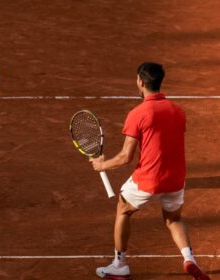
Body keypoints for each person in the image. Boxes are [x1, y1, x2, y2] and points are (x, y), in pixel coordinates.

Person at [90, 62, 210, 279]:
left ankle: (120, 265)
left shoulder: (138, 113)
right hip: (175, 178)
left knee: (123, 209)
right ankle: (189, 259)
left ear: (141, 82)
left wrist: (102, 165)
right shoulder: (177, 111)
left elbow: (125, 157)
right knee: (173, 219)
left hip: (149, 179)